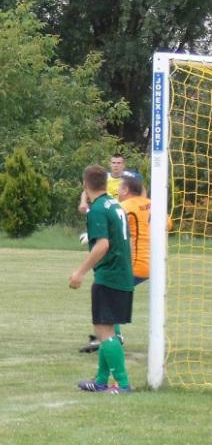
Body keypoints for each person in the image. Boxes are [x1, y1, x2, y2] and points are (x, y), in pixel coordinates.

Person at [68, 164, 134, 393]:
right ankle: (100, 380)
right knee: (108, 329)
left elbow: (102, 245)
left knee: (104, 332)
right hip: (122, 272)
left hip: (109, 276)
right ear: (106, 184)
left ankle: (123, 384)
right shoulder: (115, 204)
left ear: (85, 185)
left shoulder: (97, 209)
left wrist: (80, 272)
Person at [80, 173, 157, 353]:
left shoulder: (123, 206)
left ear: (127, 190)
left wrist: (89, 235)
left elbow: (110, 225)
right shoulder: (153, 205)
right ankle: (109, 334)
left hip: (133, 263)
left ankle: (112, 336)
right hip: (151, 262)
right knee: (109, 298)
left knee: (107, 296)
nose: (119, 192)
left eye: (121, 188)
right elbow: (166, 224)